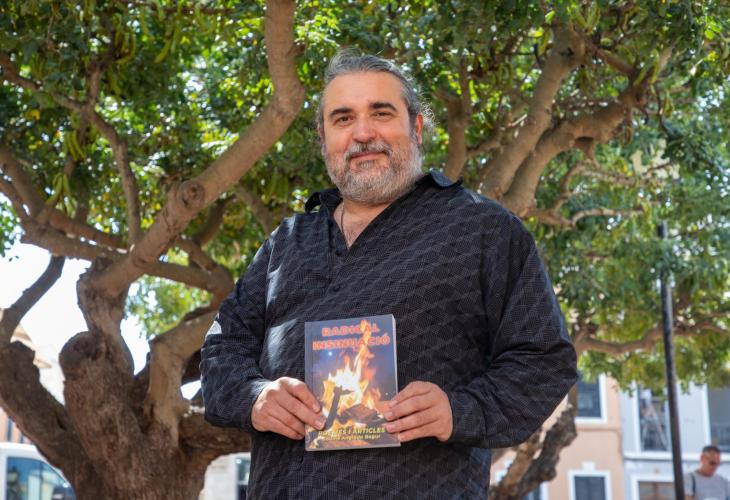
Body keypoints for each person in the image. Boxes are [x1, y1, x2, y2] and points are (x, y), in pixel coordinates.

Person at [200, 50, 577, 498]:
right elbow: (222, 350)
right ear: (323, 138)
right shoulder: (287, 242)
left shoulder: (484, 230)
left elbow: (544, 360)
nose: (363, 133)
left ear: (416, 127)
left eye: (381, 113)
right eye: (343, 119)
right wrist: (255, 396)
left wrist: (459, 410)